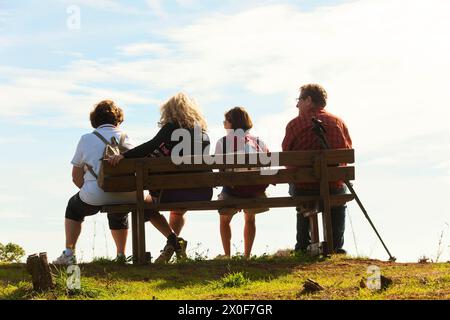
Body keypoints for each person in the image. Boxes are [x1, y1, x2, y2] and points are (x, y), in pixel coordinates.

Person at [53, 100, 183, 265]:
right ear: (118, 119)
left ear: (95, 120)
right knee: (139, 205)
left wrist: (92, 191)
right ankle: (123, 255)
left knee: (73, 207)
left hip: (95, 194)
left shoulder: (86, 139)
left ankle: (69, 253)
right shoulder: (126, 137)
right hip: (129, 194)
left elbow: (75, 176)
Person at [109, 93, 213, 263]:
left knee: (142, 206)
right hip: (201, 192)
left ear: (170, 111)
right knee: (176, 210)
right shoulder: (203, 134)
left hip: (172, 193)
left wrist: (124, 156)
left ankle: (172, 241)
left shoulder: (171, 128)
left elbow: (149, 146)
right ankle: (172, 246)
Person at [282, 84, 352, 254]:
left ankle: (303, 246)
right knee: (338, 192)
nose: (297, 105)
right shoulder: (338, 123)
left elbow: (286, 156)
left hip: (304, 188)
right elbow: (346, 153)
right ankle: (335, 246)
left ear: (308, 100)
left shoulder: (294, 125)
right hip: (333, 186)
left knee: (301, 189)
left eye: (299, 100)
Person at [214, 107, 270, 259]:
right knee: (250, 219)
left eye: (225, 120)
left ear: (232, 123)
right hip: (255, 192)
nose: (223, 123)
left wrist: (235, 188)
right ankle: (247, 256)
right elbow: (268, 168)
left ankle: (227, 255)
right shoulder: (260, 142)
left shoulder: (222, 142)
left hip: (232, 191)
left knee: (224, 220)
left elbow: (220, 172)